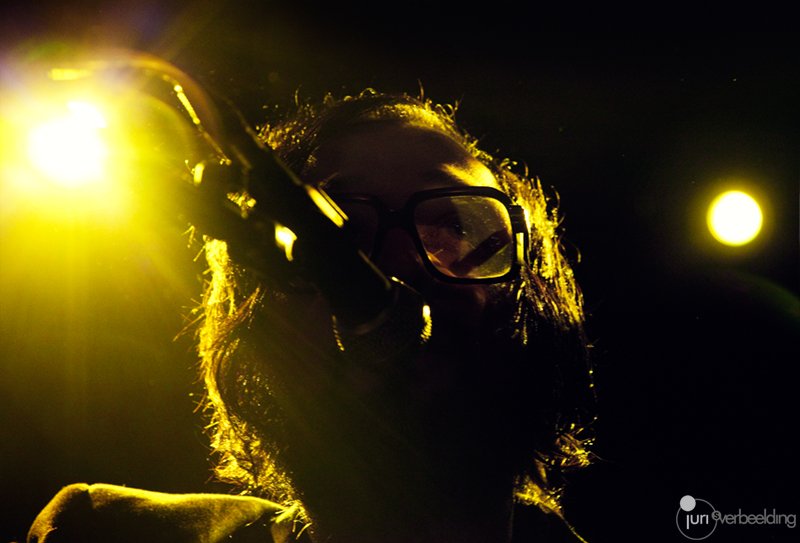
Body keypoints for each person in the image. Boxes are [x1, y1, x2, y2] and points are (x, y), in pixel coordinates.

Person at [27, 89, 595, 543]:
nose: (400, 265)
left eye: (457, 225)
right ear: (254, 321)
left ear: (534, 298)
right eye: (341, 236)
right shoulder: (107, 531)